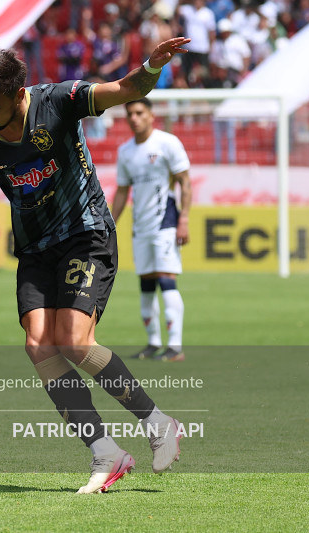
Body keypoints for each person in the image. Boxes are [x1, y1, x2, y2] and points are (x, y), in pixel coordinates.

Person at [0, 37, 190, 494]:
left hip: (86, 234)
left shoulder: (60, 101)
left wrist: (150, 66)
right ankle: (105, 452)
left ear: (21, 95)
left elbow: (124, 88)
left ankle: (158, 422)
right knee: (39, 346)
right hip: (34, 250)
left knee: (74, 340)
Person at [112, 98, 192, 362]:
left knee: (167, 280)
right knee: (146, 284)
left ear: (150, 115)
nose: (134, 118)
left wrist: (184, 219)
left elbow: (184, 182)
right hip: (140, 227)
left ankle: (176, 347)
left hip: (166, 222)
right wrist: (110, 223)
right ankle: (153, 344)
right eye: (130, 114)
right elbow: (123, 191)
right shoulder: (125, 151)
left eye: (139, 113)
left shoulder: (167, 143)